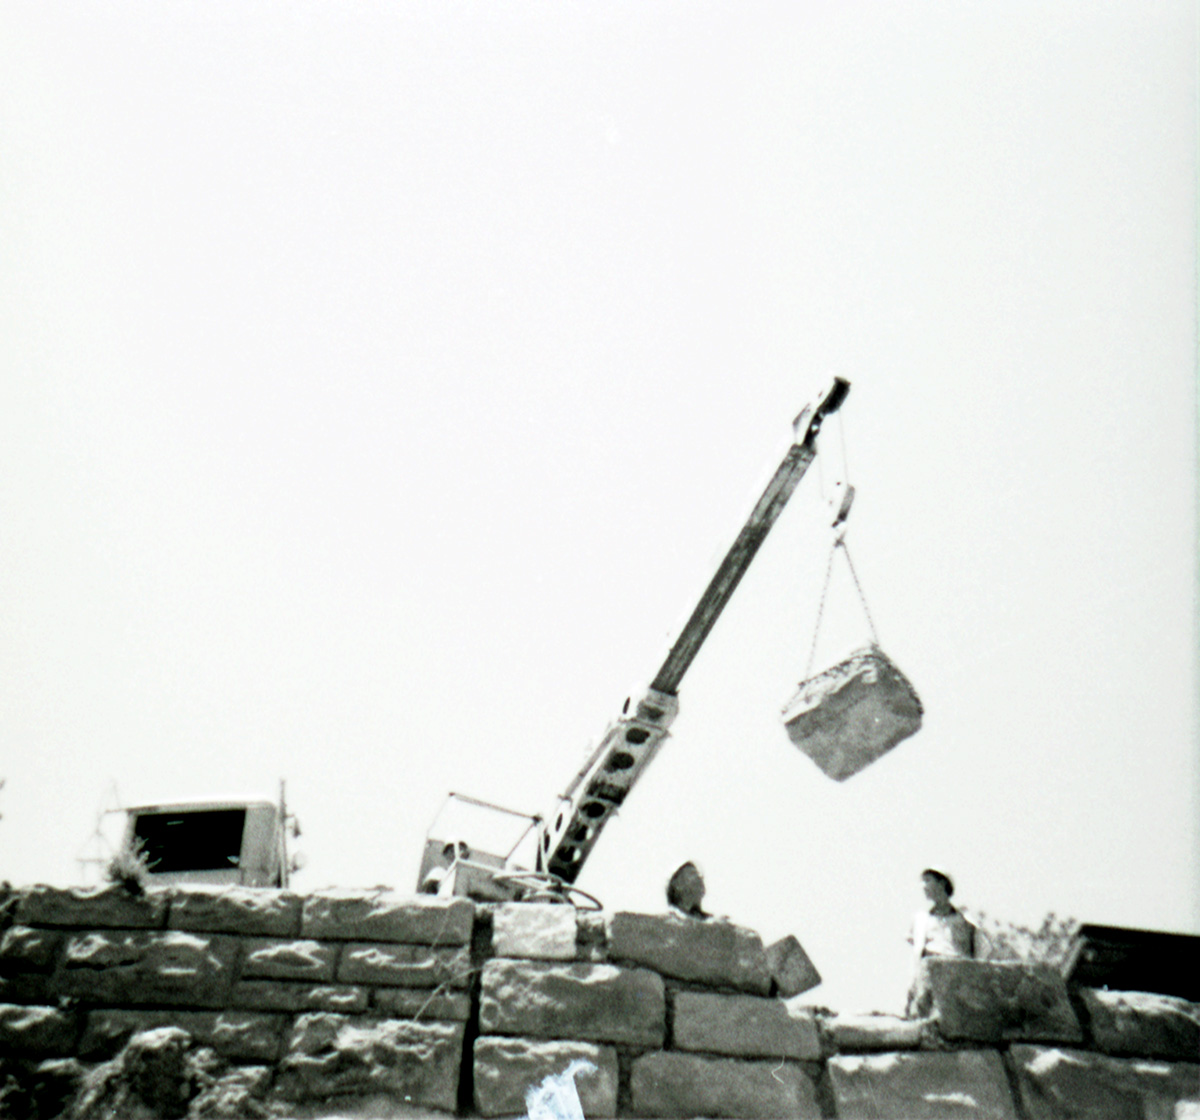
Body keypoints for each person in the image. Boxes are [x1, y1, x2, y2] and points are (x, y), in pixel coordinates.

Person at [906, 867, 976, 1017]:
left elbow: (978, 949)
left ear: (942, 883)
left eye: (928, 880)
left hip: (959, 980)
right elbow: (917, 952)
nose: (924, 886)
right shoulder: (921, 919)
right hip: (930, 979)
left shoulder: (965, 918)